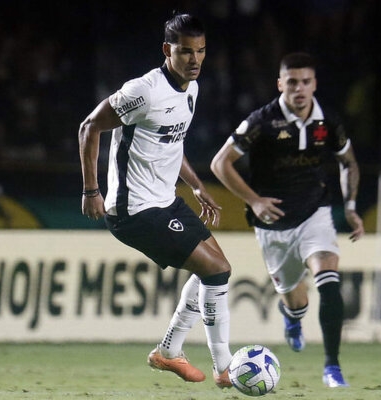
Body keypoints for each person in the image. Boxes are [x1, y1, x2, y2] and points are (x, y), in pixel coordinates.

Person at [78, 13, 233, 388]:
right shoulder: (143, 91)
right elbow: (89, 127)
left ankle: (169, 351)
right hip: (134, 210)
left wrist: (195, 185)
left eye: (201, 51)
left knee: (216, 269)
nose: (195, 60)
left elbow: (171, 143)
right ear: (167, 50)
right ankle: (224, 366)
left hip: (167, 200)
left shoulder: (190, 89)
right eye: (185, 52)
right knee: (216, 272)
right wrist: (91, 190)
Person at [210, 52, 364, 388]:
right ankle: (291, 317)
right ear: (280, 84)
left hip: (315, 213)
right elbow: (220, 163)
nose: (299, 89)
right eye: (292, 82)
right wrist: (254, 200)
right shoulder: (261, 122)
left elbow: (349, 162)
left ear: (314, 84)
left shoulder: (328, 123)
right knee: (297, 301)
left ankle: (332, 367)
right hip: (274, 224)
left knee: (329, 278)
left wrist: (350, 206)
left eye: (305, 81)